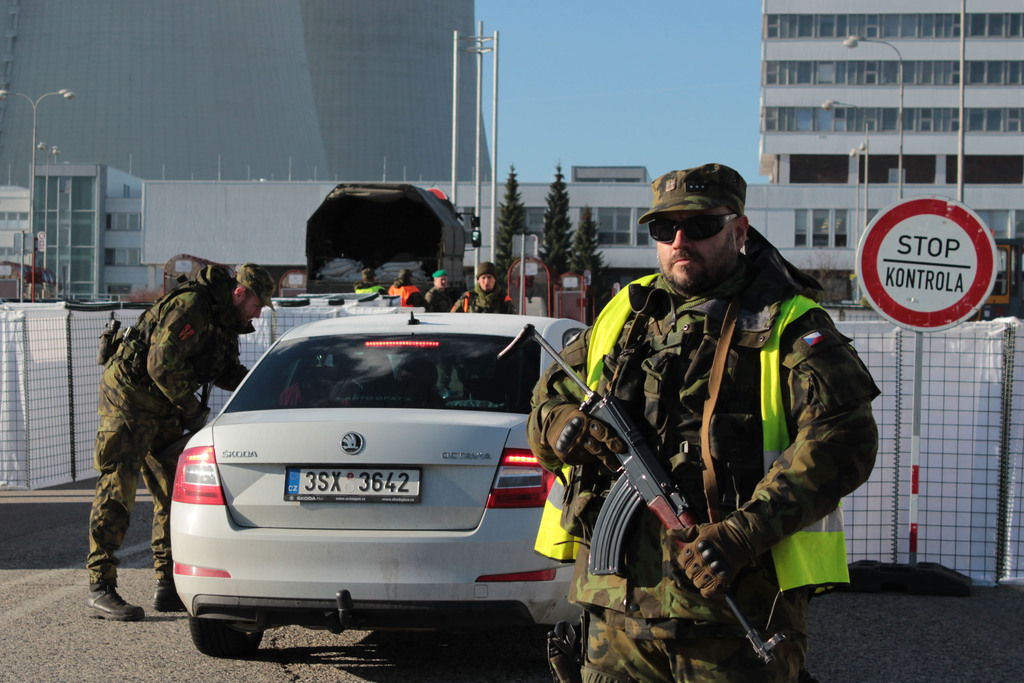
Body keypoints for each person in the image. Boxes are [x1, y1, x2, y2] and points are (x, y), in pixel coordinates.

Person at [527, 163, 879, 682]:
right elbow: (546, 400)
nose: (680, 240)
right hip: (615, 610)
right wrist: (559, 425)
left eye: (701, 226)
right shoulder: (627, 313)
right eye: (663, 229)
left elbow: (842, 440)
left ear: (738, 231)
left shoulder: (785, 319)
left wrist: (742, 534)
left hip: (733, 610)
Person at [86, 263, 275, 621]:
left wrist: (265, 389)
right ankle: (101, 586)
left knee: (174, 489)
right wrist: (190, 409)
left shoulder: (225, 321)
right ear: (240, 293)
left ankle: (167, 584)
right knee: (118, 487)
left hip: (165, 403)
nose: (258, 312)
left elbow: (225, 371)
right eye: (257, 304)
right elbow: (160, 365)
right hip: (129, 397)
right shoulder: (192, 306)